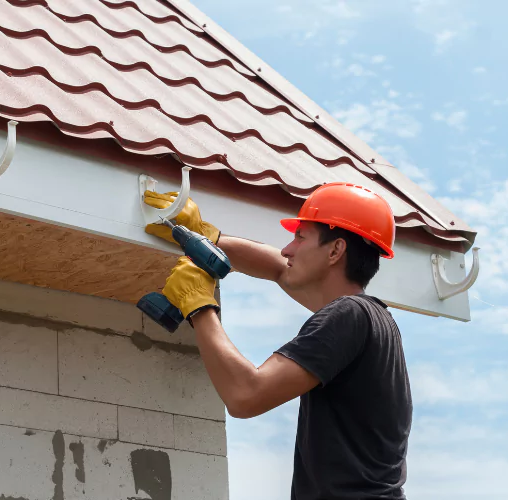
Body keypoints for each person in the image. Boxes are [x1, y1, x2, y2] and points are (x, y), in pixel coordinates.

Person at [143, 182, 413, 500]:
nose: (287, 249)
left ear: (336, 250)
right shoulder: (374, 321)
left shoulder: (349, 315)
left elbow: (246, 395)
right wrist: (208, 239)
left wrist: (199, 306)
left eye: (300, 237)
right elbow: (279, 269)